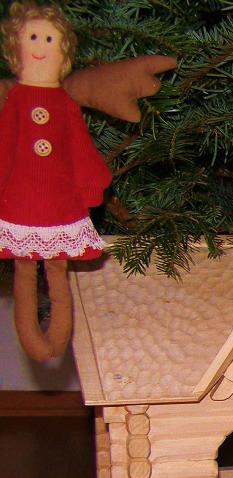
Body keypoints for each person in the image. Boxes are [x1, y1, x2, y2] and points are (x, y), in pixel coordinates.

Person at [0, 3, 112, 360]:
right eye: (33, 37)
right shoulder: (16, 101)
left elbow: (79, 146)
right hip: (20, 202)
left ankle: (57, 339)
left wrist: (91, 181)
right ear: (16, 48)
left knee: (58, 267)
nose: (40, 46)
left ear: (63, 52)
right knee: (24, 268)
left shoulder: (65, 104)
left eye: (49, 39)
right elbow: (4, 145)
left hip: (61, 202)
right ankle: (34, 341)